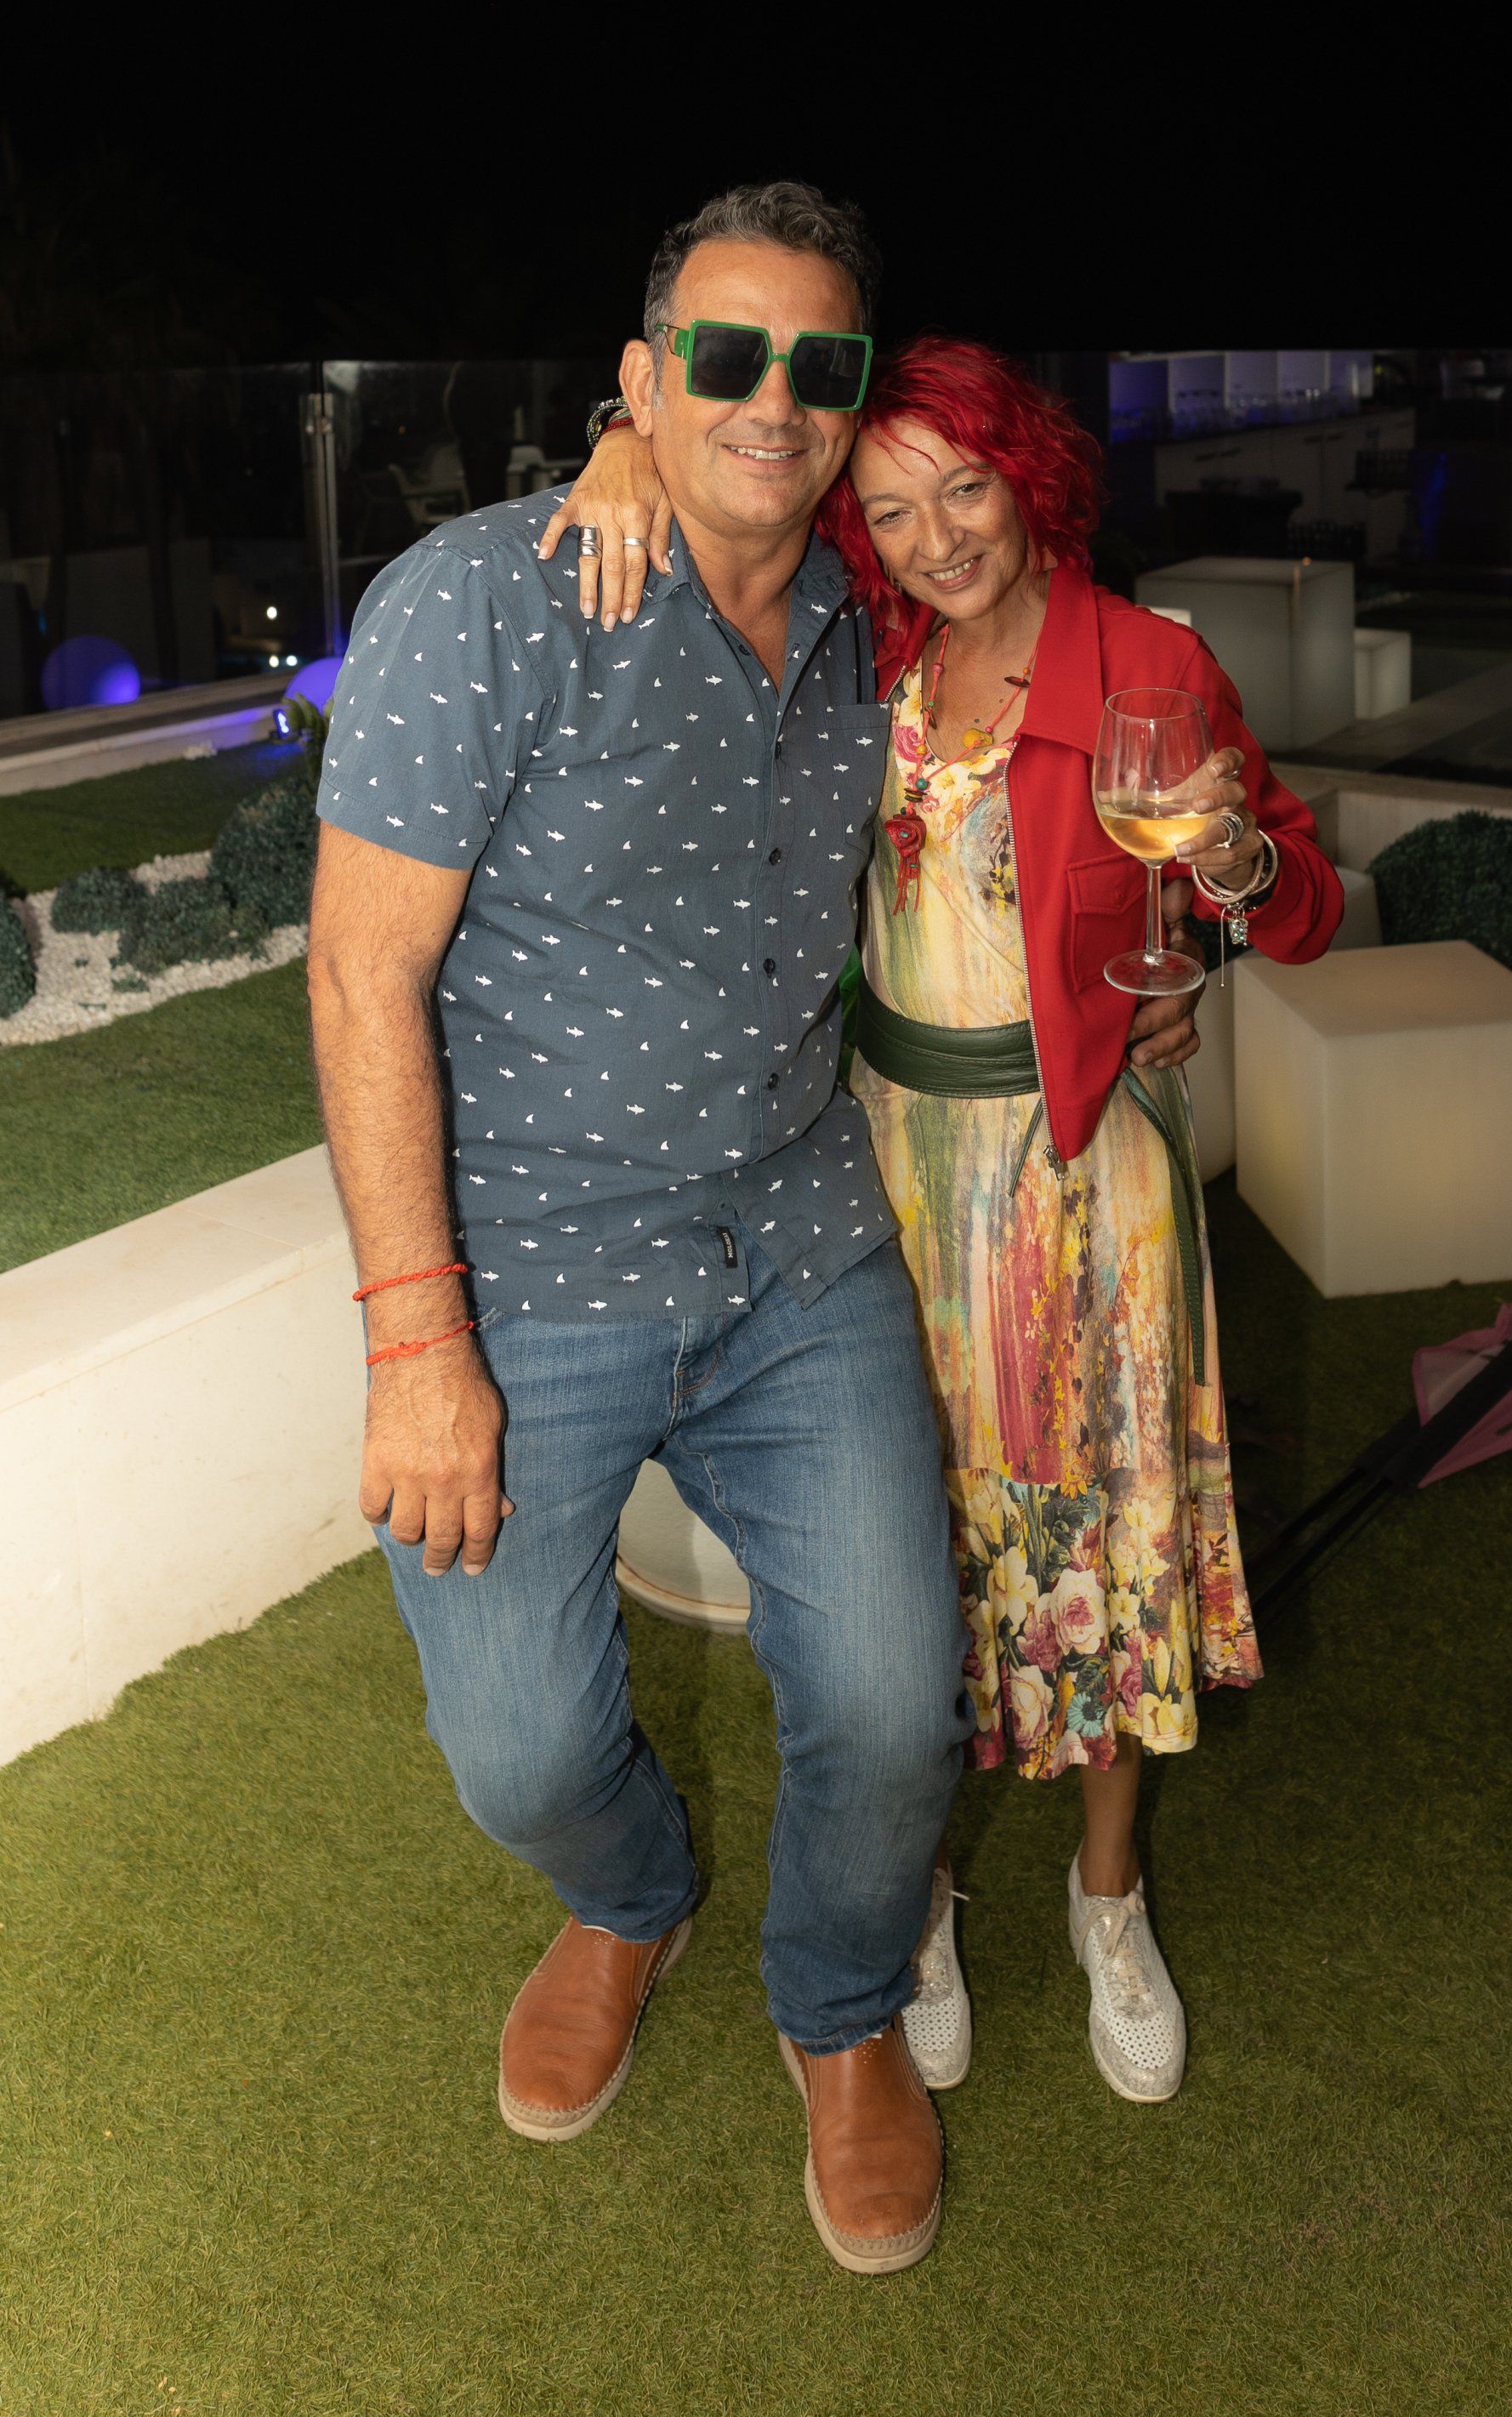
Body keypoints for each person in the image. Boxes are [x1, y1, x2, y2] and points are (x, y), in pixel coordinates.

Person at [307, 183, 982, 2280]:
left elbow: (1038, 650)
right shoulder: (485, 603)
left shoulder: (875, 614)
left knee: (899, 1702)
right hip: (527, 1277)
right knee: (520, 1754)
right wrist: (417, 1345)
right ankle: (631, 1896)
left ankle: (840, 2009)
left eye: (817, 362)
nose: (772, 396)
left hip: (799, 1247)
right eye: (721, 354)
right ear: (641, 376)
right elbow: (359, 976)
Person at [553, 334, 1343, 2105]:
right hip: (886, 1175)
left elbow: (1295, 904)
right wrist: (619, 438)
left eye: (965, 488)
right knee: (907, 1570)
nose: (937, 537)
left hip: (1087, 1175)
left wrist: (1224, 880)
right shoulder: (865, 648)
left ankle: (1108, 1897)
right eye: (895, 508)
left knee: (1113, 1538)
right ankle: (906, 1902)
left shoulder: (1150, 666)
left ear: (1027, 474)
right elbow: (712, 506)